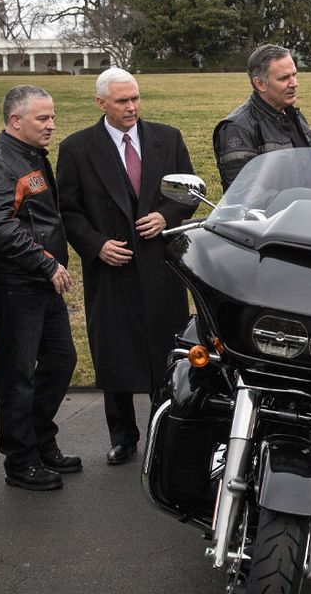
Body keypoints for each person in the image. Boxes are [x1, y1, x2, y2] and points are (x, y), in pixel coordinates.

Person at [56, 68, 198, 466]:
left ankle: (164, 429)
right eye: (122, 101)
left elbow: (191, 192)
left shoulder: (167, 138)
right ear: (101, 103)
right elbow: (67, 210)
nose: (132, 107)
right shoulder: (77, 148)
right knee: (115, 350)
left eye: (135, 98)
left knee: (166, 351)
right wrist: (96, 245)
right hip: (111, 269)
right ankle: (122, 436)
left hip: (161, 267)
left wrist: (166, 217)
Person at [0, 85, 81, 492]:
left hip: (42, 285)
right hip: (16, 287)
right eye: (42, 118)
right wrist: (45, 261)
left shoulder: (32, 157)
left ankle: (39, 440)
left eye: (52, 117)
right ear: (16, 120)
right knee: (17, 375)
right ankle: (20, 461)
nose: (52, 125)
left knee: (60, 361)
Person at [214, 43, 311, 189]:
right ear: (260, 84)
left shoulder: (294, 116)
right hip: (272, 212)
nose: (294, 83)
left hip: (304, 209)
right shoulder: (238, 128)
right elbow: (242, 193)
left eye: (294, 75)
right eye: (284, 78)